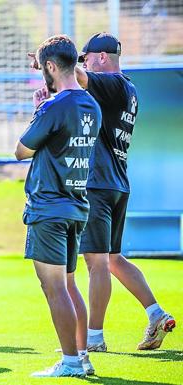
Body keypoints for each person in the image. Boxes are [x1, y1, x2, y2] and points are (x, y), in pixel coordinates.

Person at [74, 33, 176, 351]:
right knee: (114, 259)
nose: (84, 64)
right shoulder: (128, 87)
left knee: (97, 264)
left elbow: (76, 76)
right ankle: (156, 313)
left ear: (102, 58)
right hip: (117, 183)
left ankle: (94, 339)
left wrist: (52, 59)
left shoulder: (112, 83)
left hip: (99, 184)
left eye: (86, 57)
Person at [16, 35, 101, 377]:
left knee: (54, 288)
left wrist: (39, 111)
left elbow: (21, 150)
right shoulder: (90, 105)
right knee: (68, 285)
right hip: (77, 205)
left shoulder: (54, 106)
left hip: (48, 208)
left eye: (42, 70)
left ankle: (69, 362)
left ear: (51, 67)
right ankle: (82, 356)